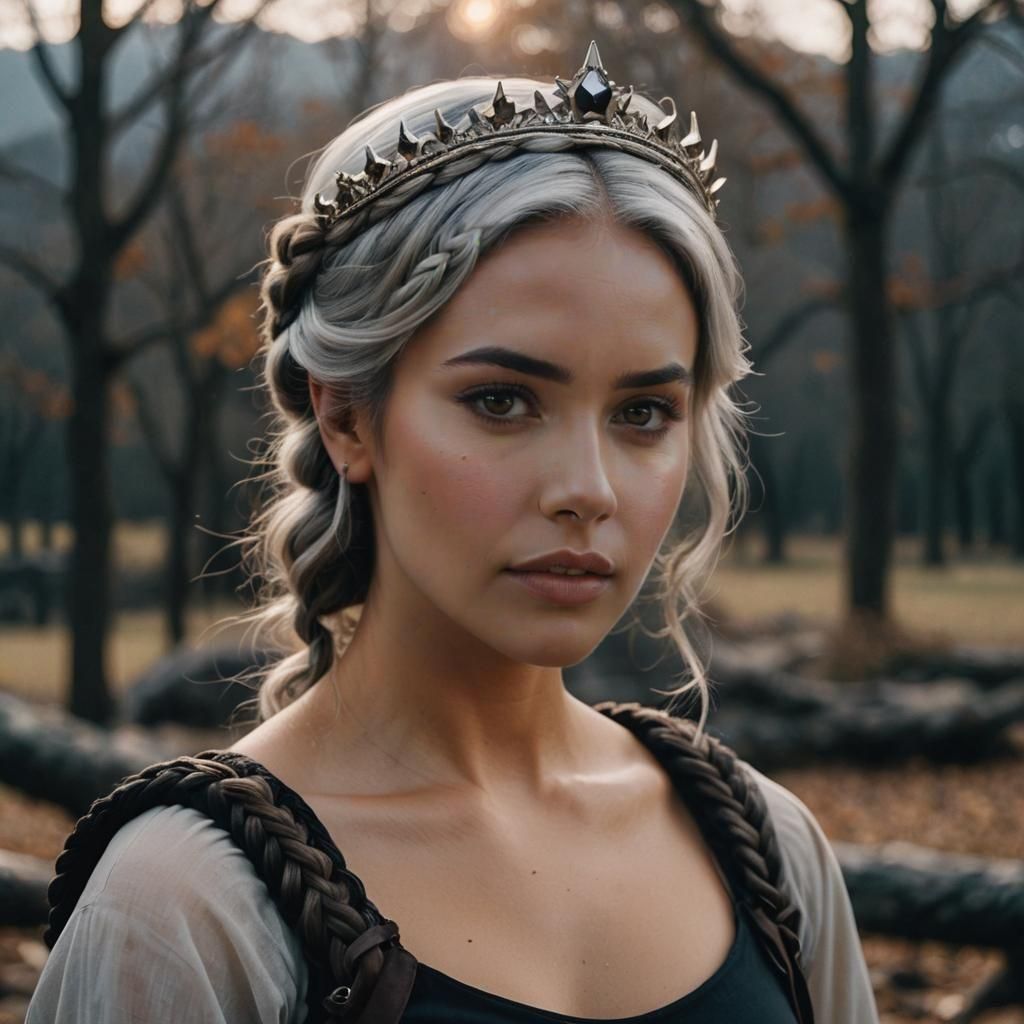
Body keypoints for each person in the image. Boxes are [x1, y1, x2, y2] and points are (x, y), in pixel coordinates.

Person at [27, 41, 879, 1024]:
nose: (588, 490)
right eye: (503, 400)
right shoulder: (187, 905)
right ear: (347, 416)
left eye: (642, 413)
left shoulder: (772, 852)